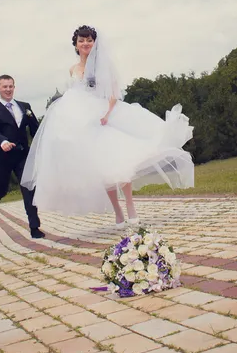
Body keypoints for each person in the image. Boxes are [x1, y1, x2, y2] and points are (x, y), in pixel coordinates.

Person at [21, 26, 194, 228]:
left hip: (105, 116)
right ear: (76, 44)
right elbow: (75, 94)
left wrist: (107, 113)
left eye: (89, 40)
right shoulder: (72, 69)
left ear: (95, 43)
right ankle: (117, 212)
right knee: (103, 171)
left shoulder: (104, 66)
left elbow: (113, 93)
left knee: (120, 163)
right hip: (83, 123)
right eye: (81, 40)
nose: (85, 43)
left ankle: (130, 206)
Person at [0, 75, 45, 238]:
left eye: (11, 86)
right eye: (4, 86)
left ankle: (34, 227)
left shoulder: (25, 106)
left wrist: (42, 144)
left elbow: (35, 129)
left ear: (14, 87)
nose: (8, 89)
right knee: (1, 189)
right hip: (1, 157)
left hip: (22, 156)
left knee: (29, 189)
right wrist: (2, 141)